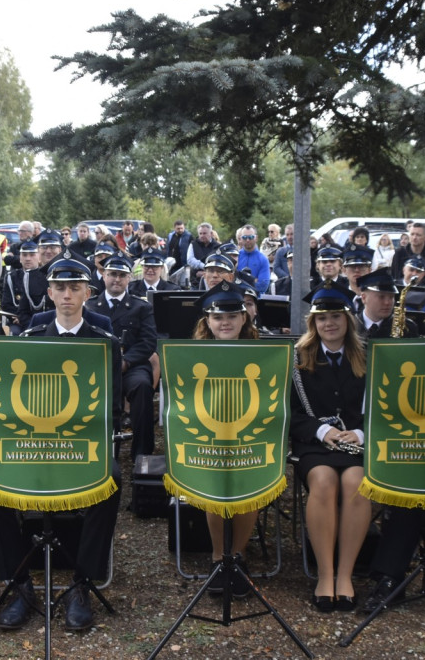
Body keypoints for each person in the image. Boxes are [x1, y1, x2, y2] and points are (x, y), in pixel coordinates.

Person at [0, 256, 122, 632]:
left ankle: (82, 583)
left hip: (80, 448)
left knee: (111, 481)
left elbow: (112, 411)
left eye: (75, 288)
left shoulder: (106, 344)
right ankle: (20, 582)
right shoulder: (27, 342)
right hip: (31, 445)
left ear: (88, 293)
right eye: (60, 288)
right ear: (48, 292)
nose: (67, 295)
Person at [290, 281, 371, 613]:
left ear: (348, 320)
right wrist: (322, 430)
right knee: (323, 481)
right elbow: (286, 414)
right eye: (322, 319)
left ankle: (345, 575)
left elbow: (386, 407)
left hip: (355, 445)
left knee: (356, 483)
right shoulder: (296, 360)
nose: (330, 324)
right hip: (314, 443)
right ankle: (325, 575)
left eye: (337, 316)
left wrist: (361, 434)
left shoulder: (369, 357)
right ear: (313, 323)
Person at [191, 281, 260, 598]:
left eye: (233, 315)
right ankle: (219, 556)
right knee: (215, 481)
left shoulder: (264, 354)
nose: (226, 322)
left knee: (251, 482)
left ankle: (238, 555)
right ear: (207, 321)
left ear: (244, 318)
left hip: (250, 439)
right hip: (209, 439)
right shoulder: (191, 357)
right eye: (218, 317)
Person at [86, 254, 158, 458]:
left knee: (143, 387)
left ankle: (142, 454)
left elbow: (148, 342)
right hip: (98, 367)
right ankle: (106, 453)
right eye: (112, 274)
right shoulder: (90, 306)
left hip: (131, 366)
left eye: (122, 275)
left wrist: (125, 362)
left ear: (129, 279)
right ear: (104, 276)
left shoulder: (141, 307)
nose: (116, 279)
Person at [186, 223, 221, 289]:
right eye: (200, 233)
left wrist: (205, 273)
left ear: (211, 233)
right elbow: (190, 260)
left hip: (213, 283)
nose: (202, 235)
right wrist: (204, 266)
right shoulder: (193, 244)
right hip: (196, 282)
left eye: (204, 233)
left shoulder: (217, 246)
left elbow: (218, 263)